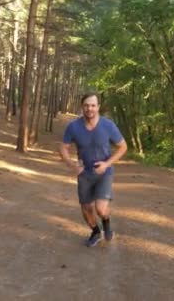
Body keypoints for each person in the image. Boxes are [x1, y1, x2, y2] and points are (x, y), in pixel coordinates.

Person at [59, 92, 127, 247]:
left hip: (104, 172)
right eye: (86, 105)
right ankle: (96, 232)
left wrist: (107, 164)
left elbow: (123, 147)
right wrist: (72, 165)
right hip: (84, 174)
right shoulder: (73, 127)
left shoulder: (108, 125)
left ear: (98, 107)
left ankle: (106, 222)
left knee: (101, 209)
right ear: (82, 107)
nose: (90, 108)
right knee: (86, 209)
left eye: (93, 105)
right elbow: (63, 148)